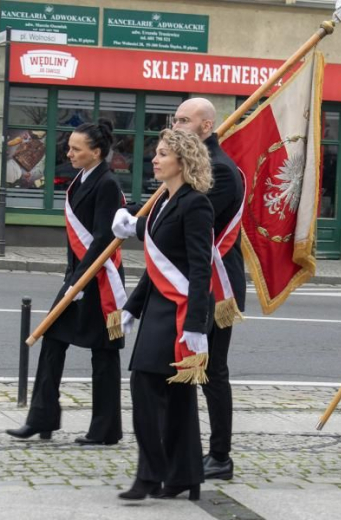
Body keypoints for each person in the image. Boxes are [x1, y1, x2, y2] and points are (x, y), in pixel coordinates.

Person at [114, 97, 245, 480]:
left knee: (210, 370)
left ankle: (219, 455)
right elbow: (166, 217)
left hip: (211, 285)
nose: (177, 124)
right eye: (175, 118)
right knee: (172, 371)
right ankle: (178, 453)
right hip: (178, 279)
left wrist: (136, 227)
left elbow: (183, 220)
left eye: (185, 120)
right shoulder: (190, 164)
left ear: (207, 126)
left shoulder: (220, 170)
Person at [6, 120, 126, 445]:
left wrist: (79, 283)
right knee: (52, 342)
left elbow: (103, 239)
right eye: (69, 147)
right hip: (78, 278)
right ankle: (42, 418)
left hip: (98, 281)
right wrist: (71, 280)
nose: (68, 152)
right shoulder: (81, 179)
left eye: (76, 148)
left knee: (103, 356)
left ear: (96, 152)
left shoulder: (108, 185)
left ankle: (105, 429)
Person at [116, 128, 214, 501]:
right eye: (156, 153)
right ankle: (184, 475)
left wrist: (196, 326)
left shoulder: (196, 204)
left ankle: (150, 476)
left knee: (148, 391)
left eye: (162, 154)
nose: (154, 160)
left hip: (179, 314)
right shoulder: (160, 203)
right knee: (175, 400)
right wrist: (132, 307)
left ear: (183, 162)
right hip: (158, 309)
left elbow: (200, 268)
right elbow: (157, 268)